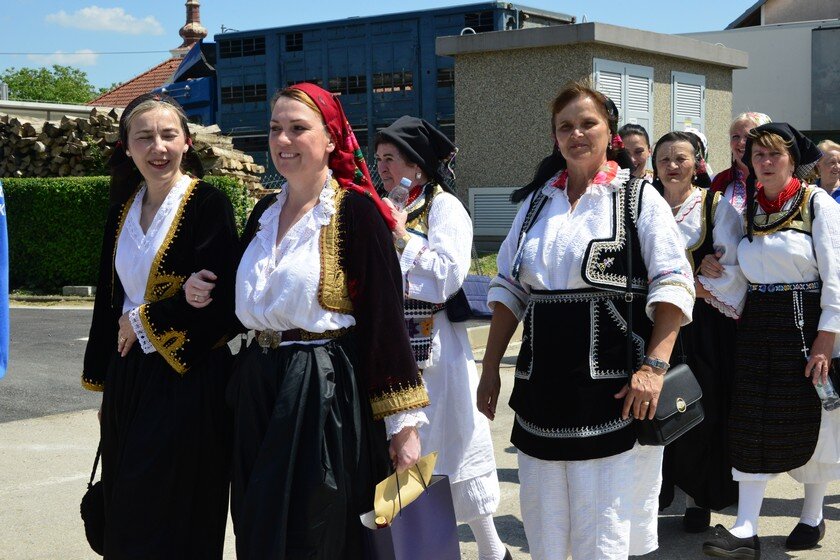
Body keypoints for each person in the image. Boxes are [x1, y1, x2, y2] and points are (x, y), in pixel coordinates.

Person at [184, 83, 429, 559]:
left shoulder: (355, 213)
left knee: (316, 527)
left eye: (298, 128)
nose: (283, 139)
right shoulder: (263, 213)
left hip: (322, 386)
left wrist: (404, 429)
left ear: (331, 138)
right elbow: (241, 303)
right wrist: (196, 291)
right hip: (257, 382)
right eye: (275, 128)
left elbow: (384, 323)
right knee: (258, 523)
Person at [476, 82, 696, 560]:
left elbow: (675, 283)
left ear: (608, 131)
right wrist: (490, 367)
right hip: (541, 386)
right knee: (544, 518)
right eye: (565, 126)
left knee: (603, 522)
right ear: (555, 137)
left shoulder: (637, 197)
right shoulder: (537, 202)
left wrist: (654, 367)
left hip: (613, 388)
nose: (576, 134)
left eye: (587, 123)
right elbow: (509, 288)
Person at [81, 92, 239, 558]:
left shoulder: (208, 204)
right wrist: (105, 386)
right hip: (130, 376)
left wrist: (146, 319)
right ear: (127, 147)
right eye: (144, 137)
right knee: (128, 508)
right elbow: (109, 301)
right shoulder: (122, 209)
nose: (158, 147)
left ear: (187, 142)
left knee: (176, 511)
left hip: (189, 378)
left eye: (169, 135)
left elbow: (223, 301)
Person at [700, 123, 840, 558]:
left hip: (806, 323)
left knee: (813, 418)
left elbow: (837, 274)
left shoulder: (816, 203)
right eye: (757, 154)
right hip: (759, 324)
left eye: (774, 153)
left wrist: (826, 339)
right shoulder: (746, 210)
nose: (764, 161)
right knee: (751, 419)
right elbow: (738, 272)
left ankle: (812, 514)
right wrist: (707, 272)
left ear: (792, 160)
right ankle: (746, 528)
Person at [374, 116, 509, 560]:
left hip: (436, 353)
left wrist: (400, 237)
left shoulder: (444, 207)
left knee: (450, 450)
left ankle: (491, 550)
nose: (382, 168)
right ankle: (418, 548)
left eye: (390, 159)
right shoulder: (384, 206)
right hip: (390, 350)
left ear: (417, 165)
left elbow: (447, 277)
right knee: (401, 454)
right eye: (379, 159)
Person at [651, 131, 740, 532]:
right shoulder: (643, 205)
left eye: (681, 158)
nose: (672, 166)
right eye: (664, 159)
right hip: (651, 319)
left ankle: (697, 498)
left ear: (698, 163)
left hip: (702, 325)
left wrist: (694, 281)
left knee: (699, 407)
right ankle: (656, 493)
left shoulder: (714, 206)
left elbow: (732, 273)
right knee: (653, 408)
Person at [711, 112, 773, 214]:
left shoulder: (776, 180)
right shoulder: (718, 180)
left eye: (748, 136)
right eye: (735, 136)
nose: (741, 142)